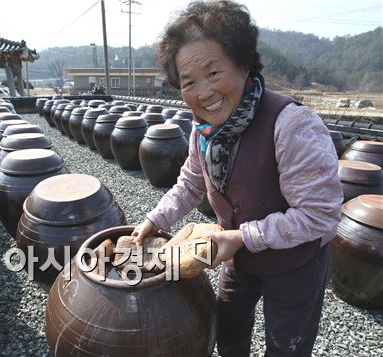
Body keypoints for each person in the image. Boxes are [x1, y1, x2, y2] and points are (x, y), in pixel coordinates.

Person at [131, 1, 343, 356]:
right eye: (189, 82)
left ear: (244, 64)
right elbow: (190, 183)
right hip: (238, 255)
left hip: (295, 261)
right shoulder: (203, 132)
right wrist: (156, 219)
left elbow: (320, 215)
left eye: (214, 73)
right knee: (228, 330)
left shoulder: (292, 125)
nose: (203, 93)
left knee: (286, 344)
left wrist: (243, 236)